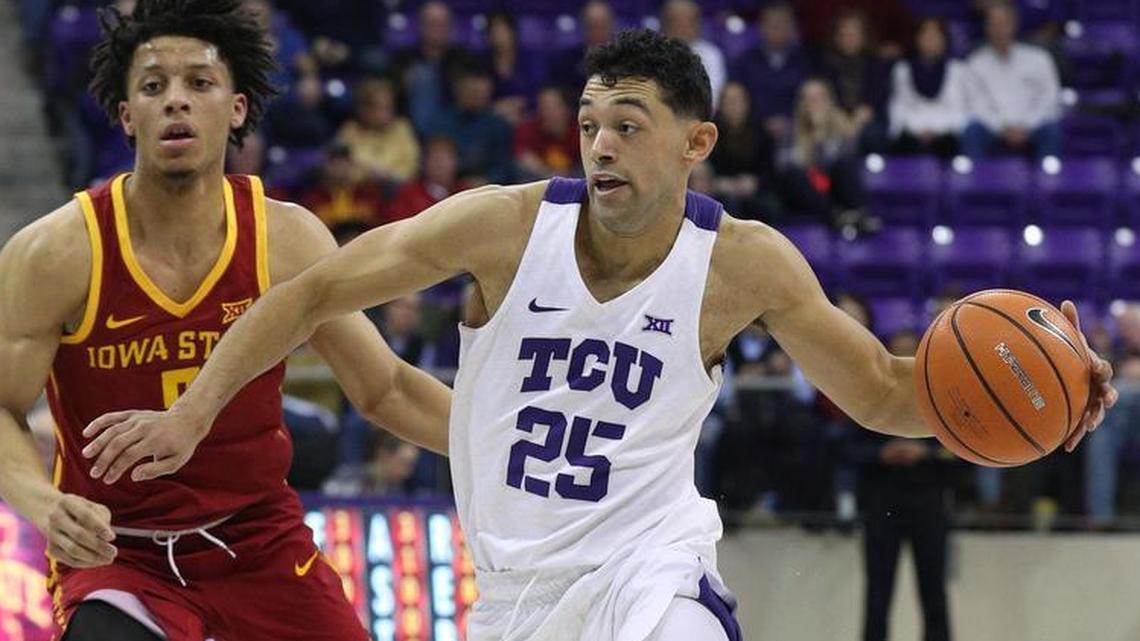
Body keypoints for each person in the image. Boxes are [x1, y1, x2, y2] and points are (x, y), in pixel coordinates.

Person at [85, 29, 1115, 641]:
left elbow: (888, 392)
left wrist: (1052, 397)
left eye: (628, 123)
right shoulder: (503, 226)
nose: (600, 144)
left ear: (696, 141)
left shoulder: (742, 263)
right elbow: (307, 293)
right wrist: (193, 411)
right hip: (514, 597)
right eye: (588, 123)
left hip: (648, 573)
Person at [0, 1, 450, 639]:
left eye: (199, 82)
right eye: (153, 87)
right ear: (127, 117)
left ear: (237, 108)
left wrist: (503, 449)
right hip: (119, 551)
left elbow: (386, 388)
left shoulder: (284, 239)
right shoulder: (57, 252)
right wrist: (44, 505)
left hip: (258, 539)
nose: (175, 101)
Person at [962, 1, 1062, 159]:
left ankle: (1050, 175)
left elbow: (1049, 99)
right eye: (994, 25)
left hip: (1032, 125)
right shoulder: (976, 63)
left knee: (1051, 130)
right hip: (993, 127)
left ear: (1014, 25)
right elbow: (976, 105)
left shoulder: (1039, 59)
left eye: (1004, 24)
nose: (999, 30)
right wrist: (1003, 128)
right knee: (972, 131)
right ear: (986, 28)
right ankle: (976, 175)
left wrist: (1026, 126)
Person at [888, 17, 968, 159]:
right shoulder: (902, 70)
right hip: (913, 132)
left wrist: (936, 131)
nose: (930, 40)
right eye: (925, 35)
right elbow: (899, 106)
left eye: (935, 35)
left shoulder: (958, 70)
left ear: (944, 40)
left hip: (947, 134)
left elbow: (960, 108)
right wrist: (918, 131)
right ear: (917, 39)